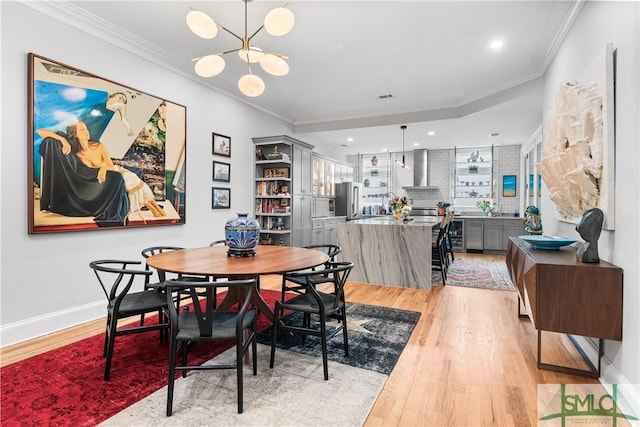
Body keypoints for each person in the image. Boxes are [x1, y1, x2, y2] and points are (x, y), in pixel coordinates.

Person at [37, 121, 165, 223]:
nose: (86, 131)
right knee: (126, 178)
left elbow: (109, 165)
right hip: (95, 179)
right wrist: (62, 140)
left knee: (129, 177)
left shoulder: (98, 146)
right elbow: (40, 131)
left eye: (86, 129)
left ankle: (151, 203)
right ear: (75, 134)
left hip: (110, 169)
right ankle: (150, 204)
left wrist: (103, 168)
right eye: (82, 130)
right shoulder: (75, 152)